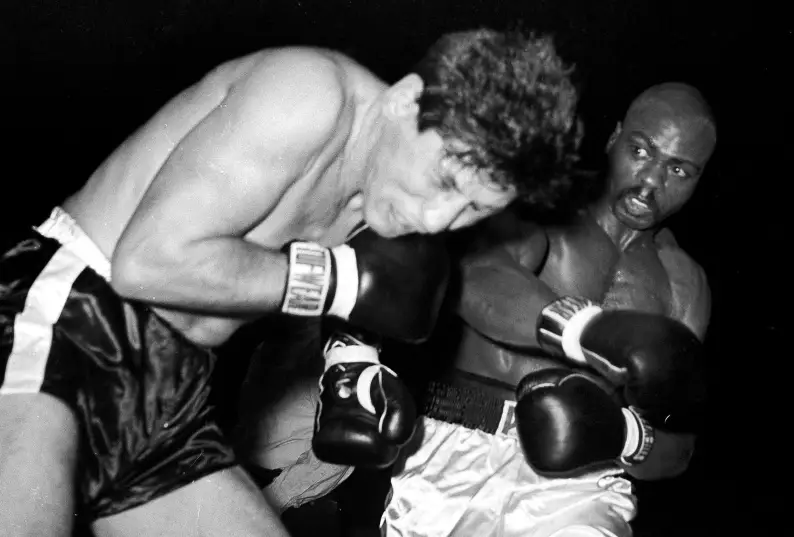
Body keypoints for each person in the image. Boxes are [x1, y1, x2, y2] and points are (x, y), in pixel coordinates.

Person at [0, 28, 584, 537]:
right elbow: (147, 263)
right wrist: (339, 283)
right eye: (445, 180)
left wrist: (353, 363)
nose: (437, 218)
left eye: (473, 209)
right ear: (406, 100)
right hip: (69, 321)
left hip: (172, 390)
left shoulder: (387, 208)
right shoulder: (309, 94)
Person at [379, 82, 717, 537]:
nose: (652, 180)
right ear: (614, 137)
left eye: (679, 170)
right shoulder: (543, 211)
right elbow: (476, 279)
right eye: (641, 150)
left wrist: (625, 435)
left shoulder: (685, 284)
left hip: (581, 487)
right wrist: (586, 329)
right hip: (455, 452)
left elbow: (678, 445)